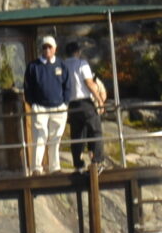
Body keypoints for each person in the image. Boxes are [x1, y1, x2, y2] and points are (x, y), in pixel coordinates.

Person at [24, 35, 71, 172]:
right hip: (40, 108)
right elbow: (27, 87)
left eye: (49, 47)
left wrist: (65, 103)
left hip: (59, 107)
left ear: (55, 48)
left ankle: (54, 167)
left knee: (55, 139)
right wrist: (32, 104)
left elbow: (67, 85)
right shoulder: (33, 66)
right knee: (40, 138)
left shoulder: (62, 65)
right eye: (44, 47)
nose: (47, 49)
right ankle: (36, 168)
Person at [62, 39, 109, 176]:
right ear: (78, 52)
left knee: (77, 135)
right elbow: (88, 82)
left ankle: (78, 164)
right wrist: (99, 100)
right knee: (95, 131)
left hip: (72, 104)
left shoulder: (63, 66)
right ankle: (97, 161)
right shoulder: (82, 63)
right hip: (85, 102)